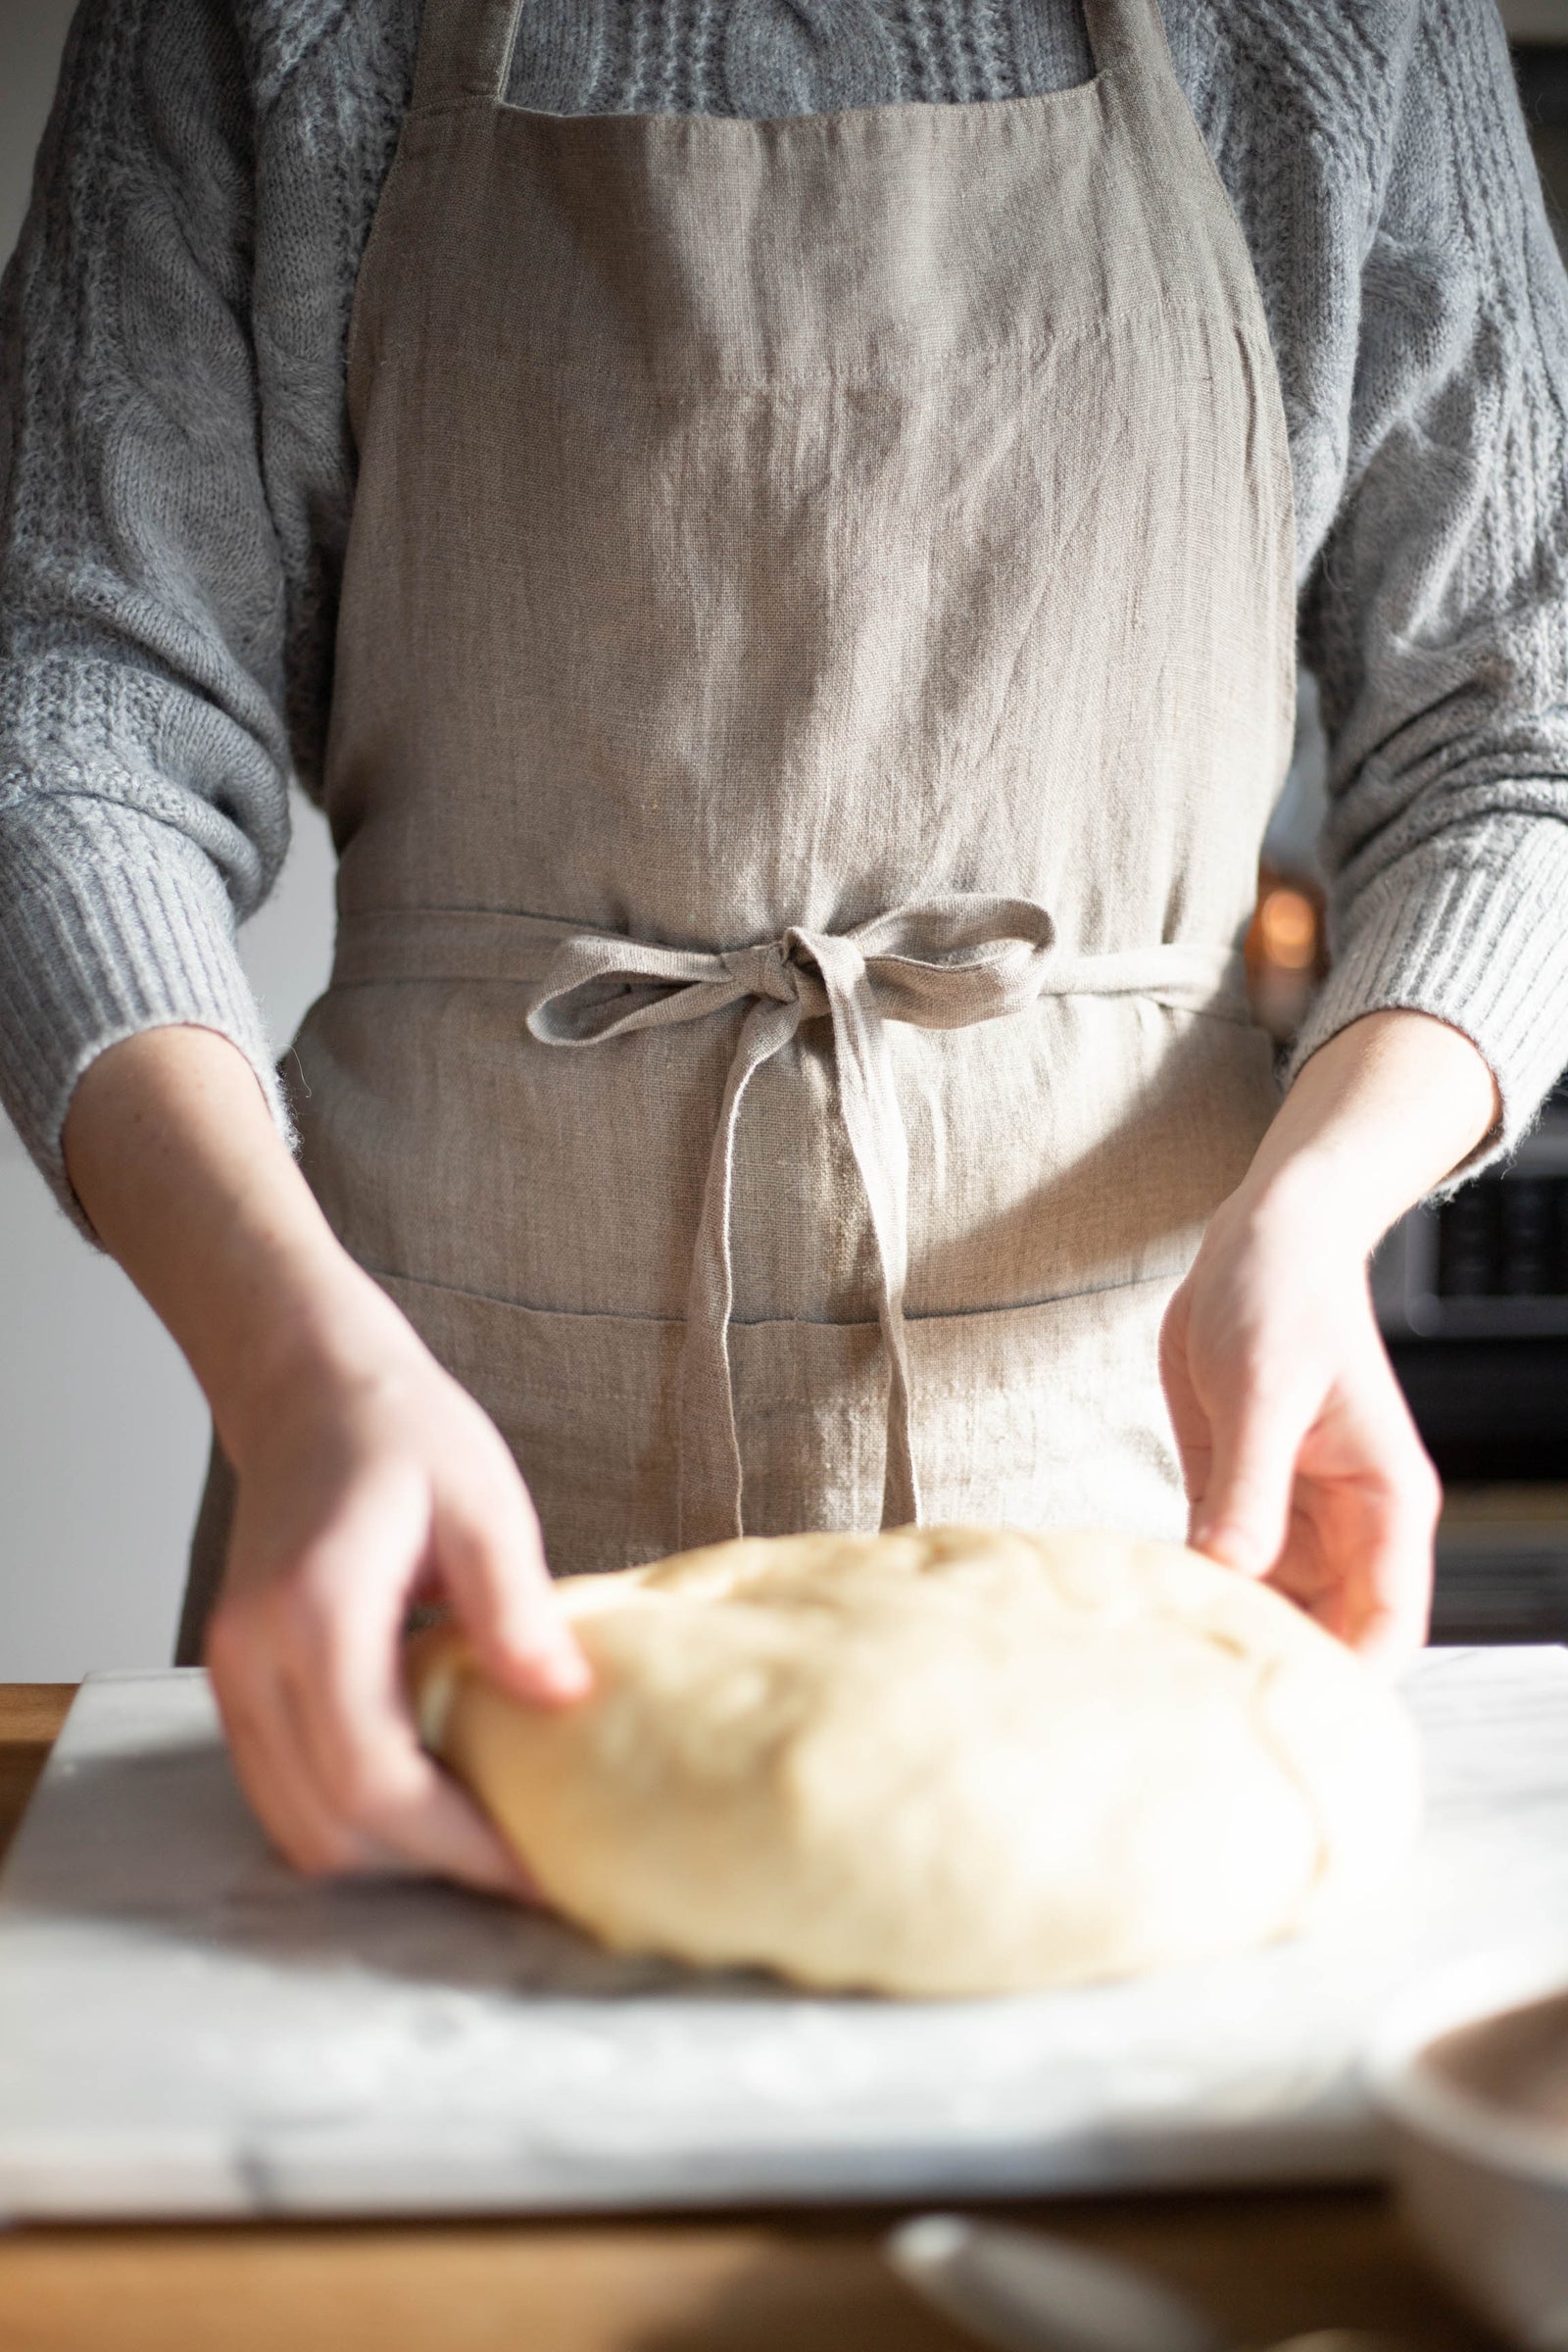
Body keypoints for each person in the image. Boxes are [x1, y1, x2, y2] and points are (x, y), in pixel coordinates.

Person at [3, 0, 1566, 1902]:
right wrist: (283, 1353)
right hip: (416, 1457)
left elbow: (1519, 739)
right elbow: (63, 735)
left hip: (1132, 1479)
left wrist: (1315, 1217)